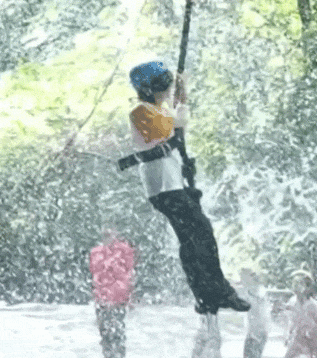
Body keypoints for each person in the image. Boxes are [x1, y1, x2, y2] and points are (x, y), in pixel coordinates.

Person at [126, 60, 250, 316]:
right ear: (149, 89)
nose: (167, 89)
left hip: (173, 185)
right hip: (164, 188)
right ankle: (218, 291)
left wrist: (182, 94)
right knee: (201, 234)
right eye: (164, 85)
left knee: (191, 241)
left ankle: (205, 296)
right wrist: (183, 97)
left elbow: (176, 124)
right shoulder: (140, 112)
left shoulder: (156, 110)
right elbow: (176, 122)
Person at [89, 230, 135, 358]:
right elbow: (94, 275)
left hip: (117, 297)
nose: (107, 236)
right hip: (104, 298)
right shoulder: (96, 252)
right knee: (106, 332)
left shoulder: (124, 250)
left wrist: (130, 295)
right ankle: (110, 354)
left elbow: (129, 273)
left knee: (116, 331)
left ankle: (117, 354)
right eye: (105, 234)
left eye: (109, 233)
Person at [283, 268, 317, 358]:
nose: (296, 286)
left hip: (312, 337)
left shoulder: (312, 304)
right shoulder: (292, 301)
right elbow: (291, 320)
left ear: (306, 287)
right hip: (298, 337)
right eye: (294, 283)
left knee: (315, 355)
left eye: (299, 283)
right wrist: (288, 335)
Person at [239, 268, 269, 358]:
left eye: (242, 277)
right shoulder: (251, 290)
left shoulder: (258, 290)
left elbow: (260, 312)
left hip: (258, 332)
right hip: (252, 332)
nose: (241, 280)